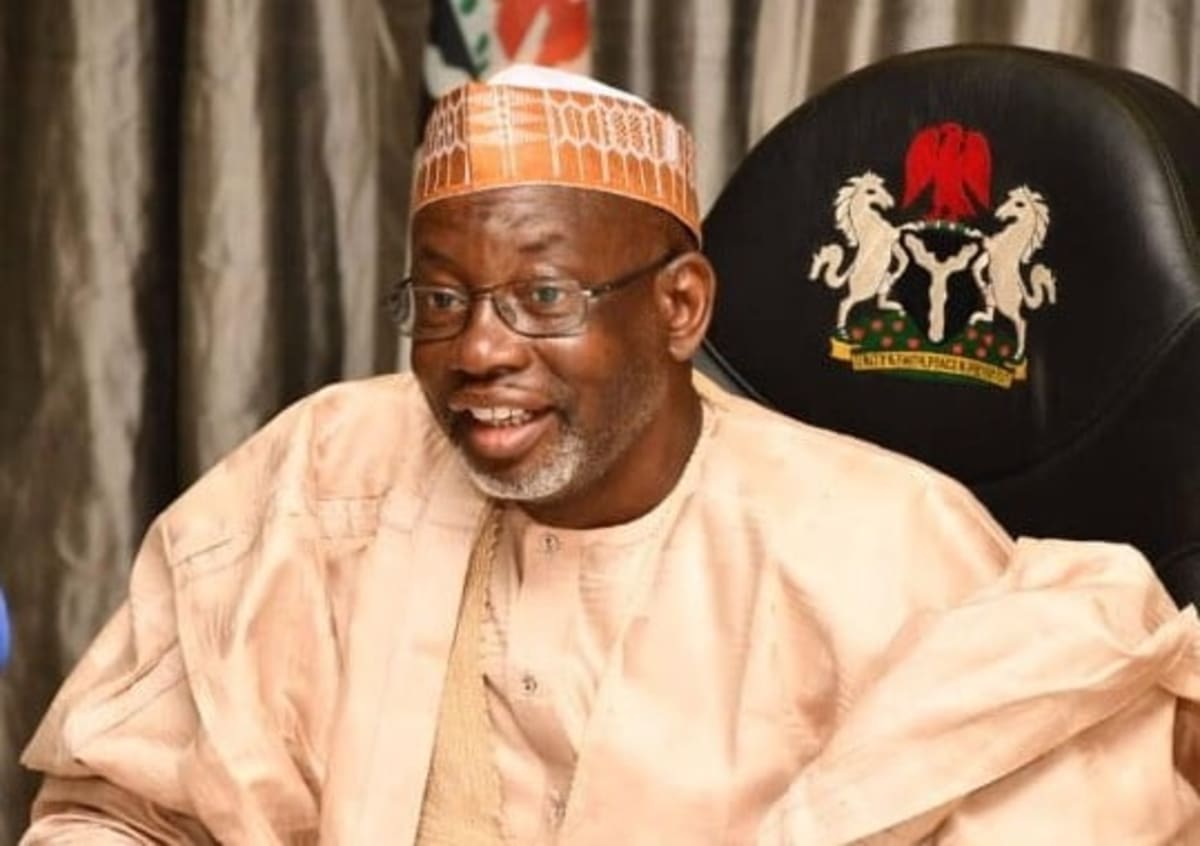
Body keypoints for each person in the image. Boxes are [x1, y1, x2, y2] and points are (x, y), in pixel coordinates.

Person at [19, 65, 1200, 845]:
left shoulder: (881, 546)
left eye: (543, 296)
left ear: (681, 307)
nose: (478, 349)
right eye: (439, 298)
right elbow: (122, 809)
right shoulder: (324, 472)